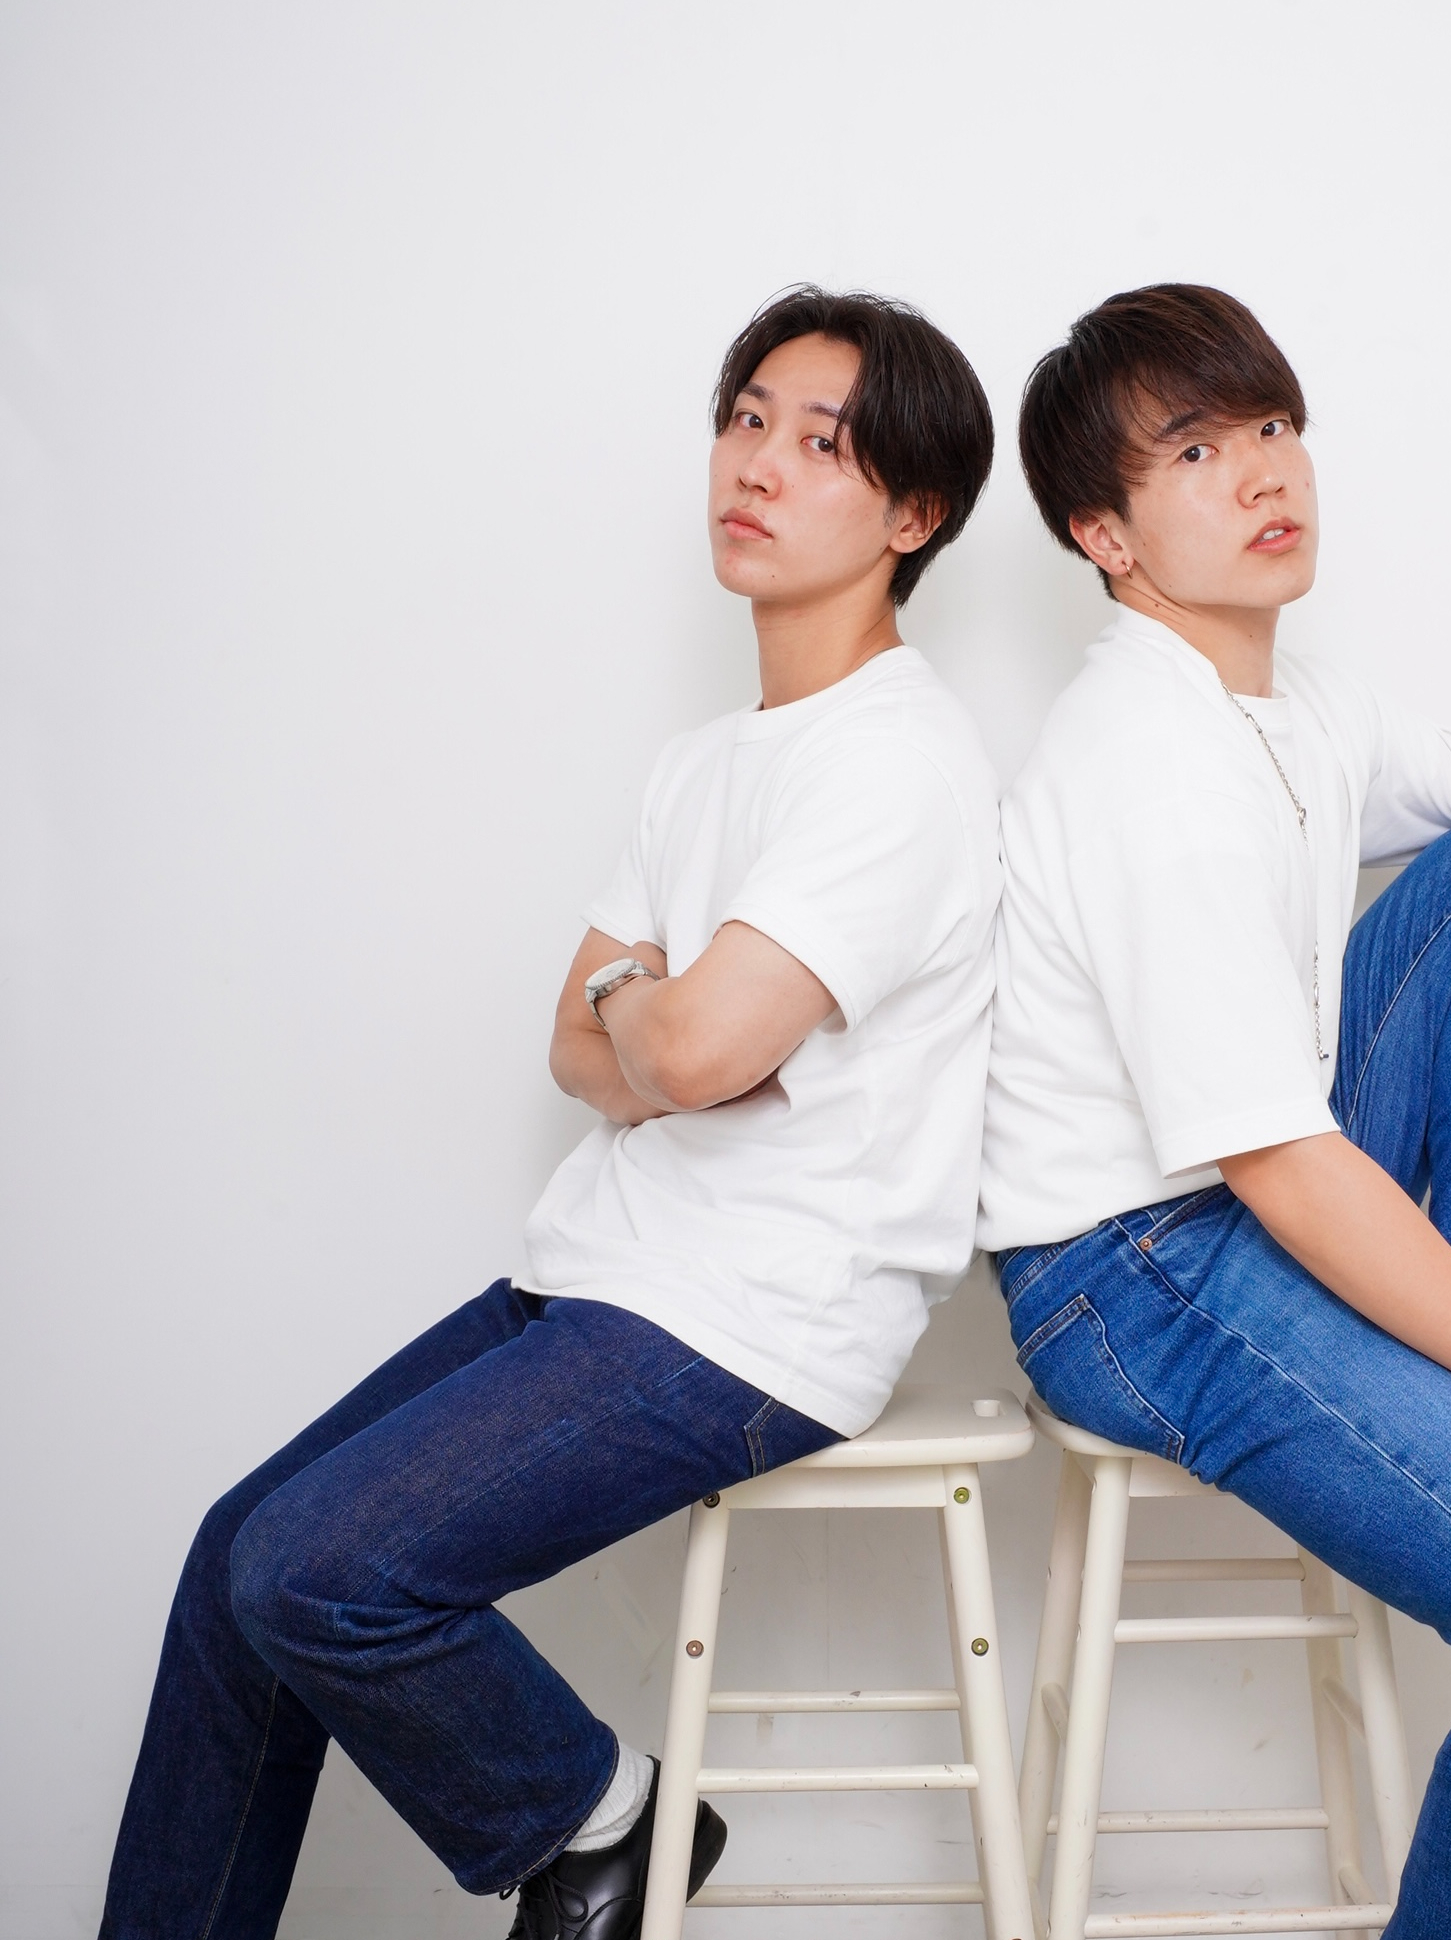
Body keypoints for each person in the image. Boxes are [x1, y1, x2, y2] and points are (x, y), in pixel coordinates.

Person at [99, 287, 1001, 1940]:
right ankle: (601, 1827)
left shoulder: (899, 763)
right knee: (239, 1568)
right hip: (601, 1274)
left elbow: (686, 1050)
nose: (757, 464)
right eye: (745, 420)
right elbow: (582, 1050)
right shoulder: (703, 764)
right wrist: (659, 1024)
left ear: (913, 514)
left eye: (821, 444)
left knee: (315, 1570)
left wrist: (658, 1021)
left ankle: (596, 1821)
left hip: (755, 1317)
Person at [979, 283, 1451, 1940]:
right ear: (1104, 535)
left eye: (1275, 427)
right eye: (1199, 451)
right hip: (1132, 1273)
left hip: (1256, 1194)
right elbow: (1276, 1164)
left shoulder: (1302, 705)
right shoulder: (1142, 759)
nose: (1268, 471)